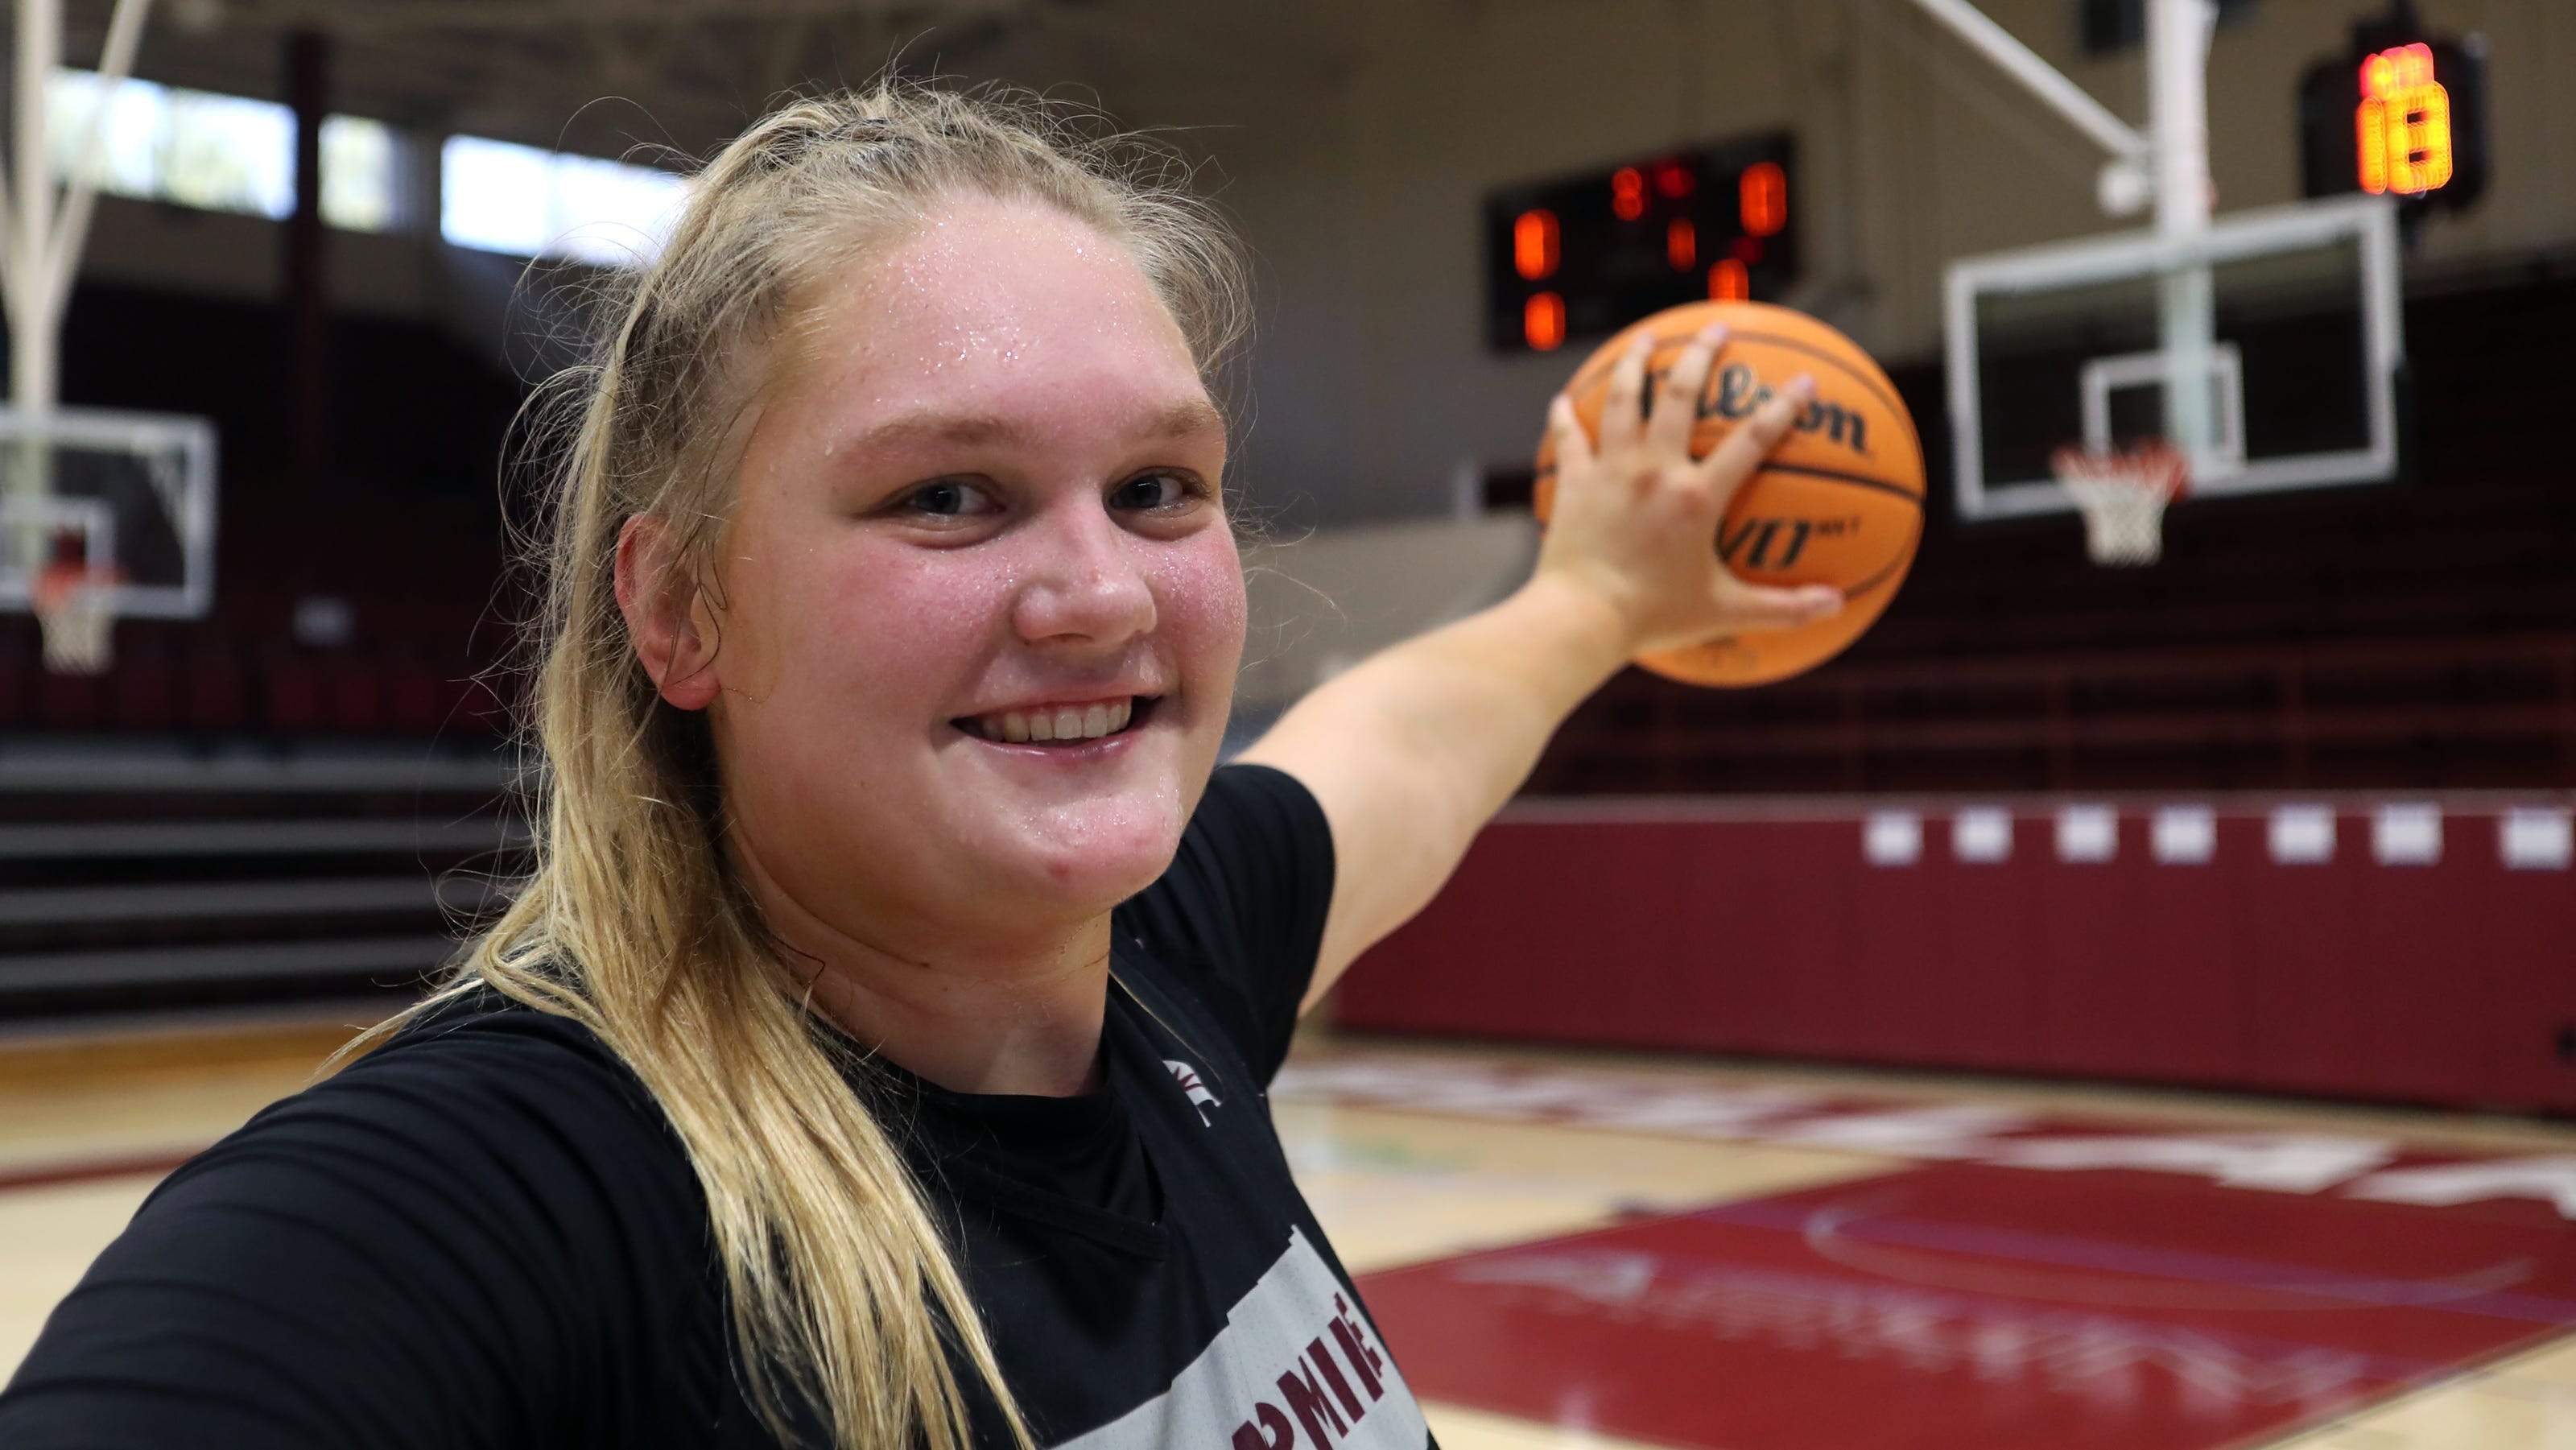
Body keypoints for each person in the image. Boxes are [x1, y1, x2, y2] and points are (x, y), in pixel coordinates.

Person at [0, 83, 1837, 1450]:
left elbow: (1394, 751)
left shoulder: (1165, 969)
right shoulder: (518, 1189)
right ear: (680, 610)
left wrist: (1596, 592)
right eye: (945, 494)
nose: (1100, 588)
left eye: (1158, 487)